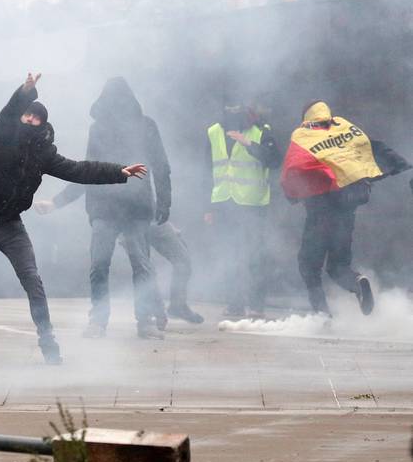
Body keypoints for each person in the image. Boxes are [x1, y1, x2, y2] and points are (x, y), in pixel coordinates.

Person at [0, 73, 146, 364]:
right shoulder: (2, 135)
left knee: (33, 281)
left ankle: (48, 341)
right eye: (27, 115)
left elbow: (80, 170)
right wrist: (25, 92)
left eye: (36, 118)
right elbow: (7, 114)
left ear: (43, 124)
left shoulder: (44, 154)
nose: (30, 120)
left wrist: (119, 172)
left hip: (11, 226)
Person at [34, 77, 186, 340]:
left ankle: (143, 321)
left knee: (139, 265)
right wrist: (56, 202)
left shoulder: (146, 127)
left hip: (136, 209)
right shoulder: (99, 130)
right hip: (105, 208)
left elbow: (160, 166)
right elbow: (88, 169)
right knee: (103, 264)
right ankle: (100, 321)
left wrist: (164, 202)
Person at [281, 100, 410, 316]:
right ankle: (358, 283)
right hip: (346, 211)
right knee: (338, 265)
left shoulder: (304, 136)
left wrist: (292, 194)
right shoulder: (344, 127)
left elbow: (294, 165)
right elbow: (369, 148)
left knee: (308, 265)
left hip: (320, 211)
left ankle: (322, 317)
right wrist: (397, 163)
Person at [204, 98, 281, 319]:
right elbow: (206, 170)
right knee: (230, 255)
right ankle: (234, 303)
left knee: (255, 256)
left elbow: (275, 160)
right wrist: (208, 207)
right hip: (224, 202)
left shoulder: (261, 131)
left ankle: (256, 305)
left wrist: (248, 144)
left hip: (253, 204)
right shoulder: (214, 132)